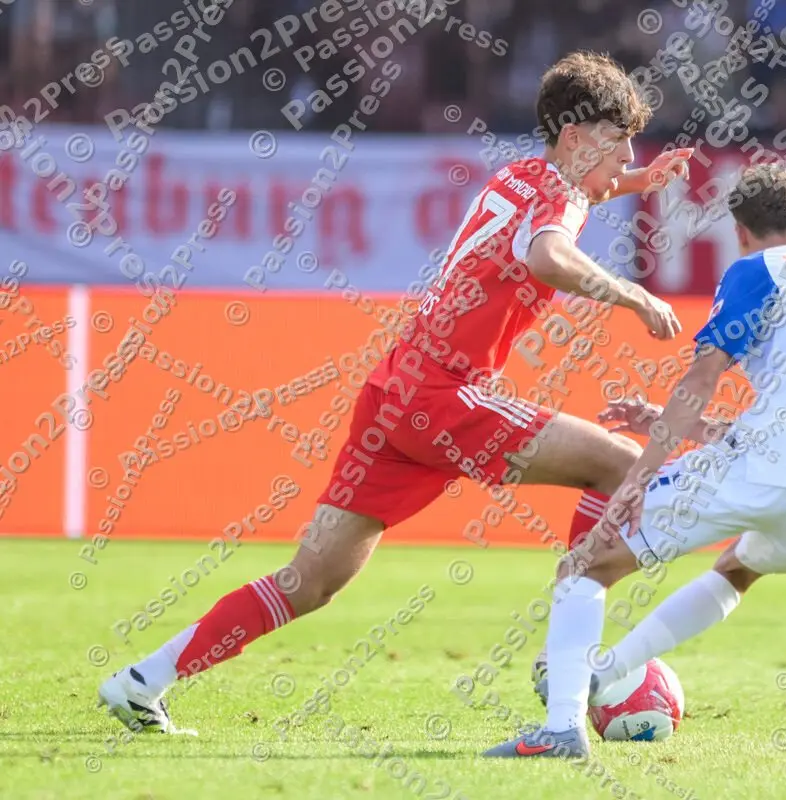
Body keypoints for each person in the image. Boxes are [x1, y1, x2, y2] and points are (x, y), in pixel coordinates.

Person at [98, 51, 693, 735]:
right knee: (620, 462)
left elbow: (565, 205)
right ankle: (567, 658)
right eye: (619, 143)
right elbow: (546, 254)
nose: (626, 159)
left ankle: (143, 680)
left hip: (395, 394)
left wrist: (634, 181)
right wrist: (628, 292)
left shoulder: (524, 177)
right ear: (575, 136)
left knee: (311, 582)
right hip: (445, 394)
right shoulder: (555, 197)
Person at [484, 162, 786, 758]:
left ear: (740, 230)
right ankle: (604, 677)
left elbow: (704, 375)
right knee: (737, 569)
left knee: (584, 565)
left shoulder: (759, 269)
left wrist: (639, 474)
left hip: (775, 469)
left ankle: (561, 730)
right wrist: (668, 424)